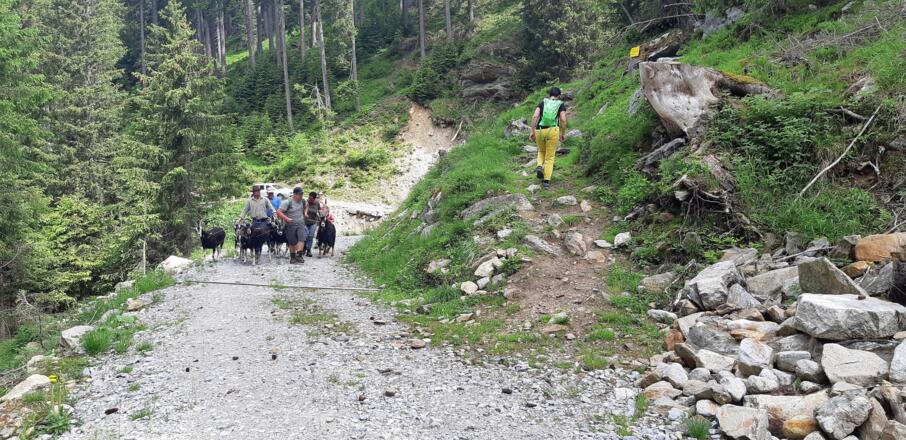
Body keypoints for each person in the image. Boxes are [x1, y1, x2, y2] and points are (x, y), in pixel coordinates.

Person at [529, 87, 568, 190]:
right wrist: (563, 133)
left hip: (540, 130)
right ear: (559, 96)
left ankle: (539, 166)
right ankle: (546, 181)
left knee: (541, 151)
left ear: (549, 95)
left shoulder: (542, 102)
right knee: (550, 156)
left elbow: (535, 116)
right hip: (553, 130)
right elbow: (563, 119)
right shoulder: (560, 104)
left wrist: (532, 131)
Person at [276, 187, 307, 264]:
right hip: (290, 225)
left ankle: (299, 256)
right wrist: (286, 218)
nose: (301, 196)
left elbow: (307, 206)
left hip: (301, 223)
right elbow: (279, 212)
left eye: (302, 194)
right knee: (292, 242)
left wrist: (305, 213)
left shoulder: (303, 201)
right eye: (300, 194)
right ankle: (293, 257)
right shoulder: (287, 202)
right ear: (295, 194)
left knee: (302, 239)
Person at [303, 191, 321, 258]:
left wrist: (320, 216)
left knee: (310, 236)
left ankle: (308, 250)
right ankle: (304, 248)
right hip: (305, 222)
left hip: (313, 222)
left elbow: (318, 210)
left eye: (311, 199)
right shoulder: (305, 202)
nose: (309, 199)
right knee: (305, 235)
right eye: (309, 198)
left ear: (314, 199)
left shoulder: (317, 202)